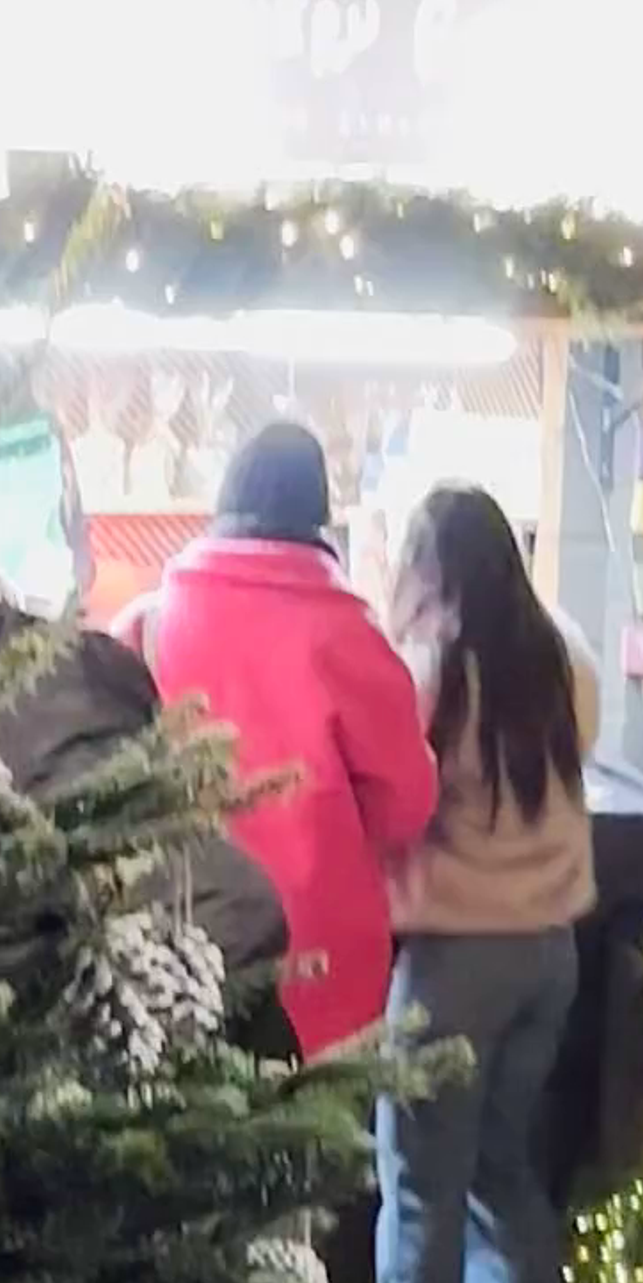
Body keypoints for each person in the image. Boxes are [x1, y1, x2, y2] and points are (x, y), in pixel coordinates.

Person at [377, 484, 594, 1283]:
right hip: (551, 950)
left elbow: (401, 802)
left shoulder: (431, 670)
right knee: (503, 1169)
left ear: (430, 566)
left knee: (421, 1178)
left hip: (455, 956)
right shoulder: (567, 658)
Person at [130, 422, 436, 1063]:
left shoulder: (150, 622)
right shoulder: (349, 636)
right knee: (315, 1146)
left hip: (177, 947)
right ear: (319, 520)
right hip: (322, 966)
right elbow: (406, 804)